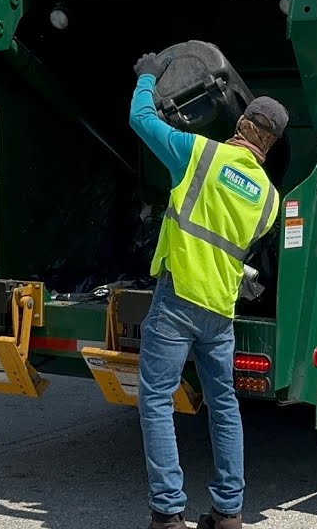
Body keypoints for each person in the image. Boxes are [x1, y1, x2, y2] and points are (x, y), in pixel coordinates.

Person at [130, 48, 286, 529]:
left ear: (241, 122)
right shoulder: (271, 200)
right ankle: (228, 513)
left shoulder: (201, 154)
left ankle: (167, 513)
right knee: (224, 406)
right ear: (271, 143)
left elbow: (141, 120)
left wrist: (148, 77)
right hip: (220, 309)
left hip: (178, 298)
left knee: (157, 400)